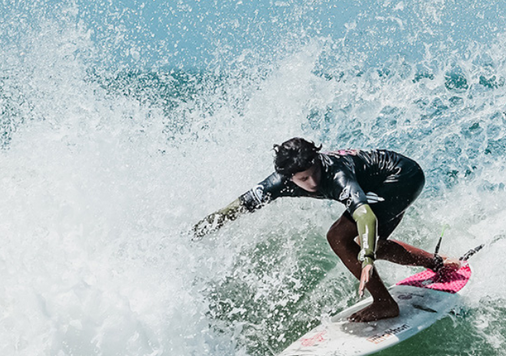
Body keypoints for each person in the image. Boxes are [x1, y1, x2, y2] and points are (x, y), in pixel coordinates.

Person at [194, 138, 457, 322]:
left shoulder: (336, 175)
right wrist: (201, 229)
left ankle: (384, 304)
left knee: (339, 237)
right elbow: (242, 204)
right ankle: (438, 264)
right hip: (385, 181)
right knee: (374, 243)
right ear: (289, 177)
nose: (312, 182)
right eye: (303, 179)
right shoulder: (279, 182)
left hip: (400, 178)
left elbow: (364, 213)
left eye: (314, 172)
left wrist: (366, 258)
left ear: (317, 160)